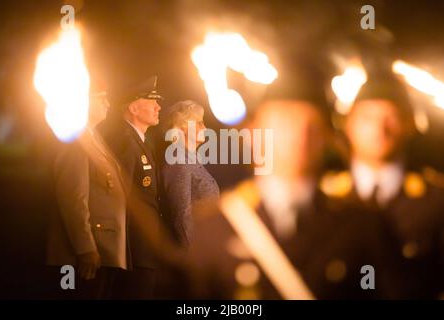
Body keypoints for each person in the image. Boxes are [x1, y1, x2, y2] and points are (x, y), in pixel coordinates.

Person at [187, 66, 401, 299]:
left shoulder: (361, 226)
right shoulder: (213, 226)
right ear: (252, 133)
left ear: (328, 138)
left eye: (311, 125)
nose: (299, 136)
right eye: (284, 122)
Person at [325, 74, 444, 299]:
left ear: (410, 125)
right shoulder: (325, 198)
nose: (380, 129)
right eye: (367, 118)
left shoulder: (436, 202)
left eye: (391, 117)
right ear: (348, 125)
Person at [47, 84, 127, 299]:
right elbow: (73, 199)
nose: (108, 104)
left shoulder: (93, 138)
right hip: (81, 257)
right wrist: (85, 248)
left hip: (102, 250)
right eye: (101, 98)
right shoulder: (76, 142)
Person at [97, 75, 165, 299]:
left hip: (143, 246)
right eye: (151, 100)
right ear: (134, 108)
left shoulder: (141, 141)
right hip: (134, 249)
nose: (158, 106)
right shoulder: (125, 141)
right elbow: (119, 197)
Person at [161, 100, 220, 247]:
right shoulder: (178, 161)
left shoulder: (190, 158)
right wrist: (195, 258)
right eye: (199, 123)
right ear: (182, 127)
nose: (205, 128)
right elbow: (181, 216)